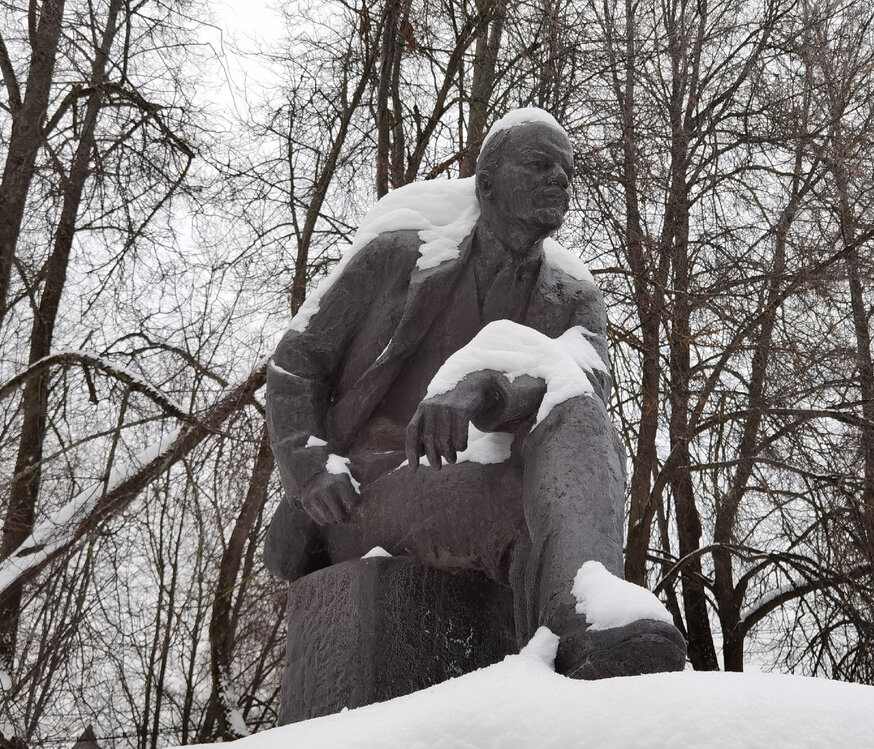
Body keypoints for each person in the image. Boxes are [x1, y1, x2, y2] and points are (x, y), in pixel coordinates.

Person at [264, 108, 686, 679]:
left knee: (579, 408)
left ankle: (587, 614)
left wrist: (484, 385)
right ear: (486, 180)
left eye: (567, 171)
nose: (559, 180)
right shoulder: (402, 253)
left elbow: (584, 389)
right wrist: (313, 469)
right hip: (367, 493)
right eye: (539, 164)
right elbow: (296, 363)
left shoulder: (575, 297)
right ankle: (577, 630)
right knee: (530, 509)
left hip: (488, 480)